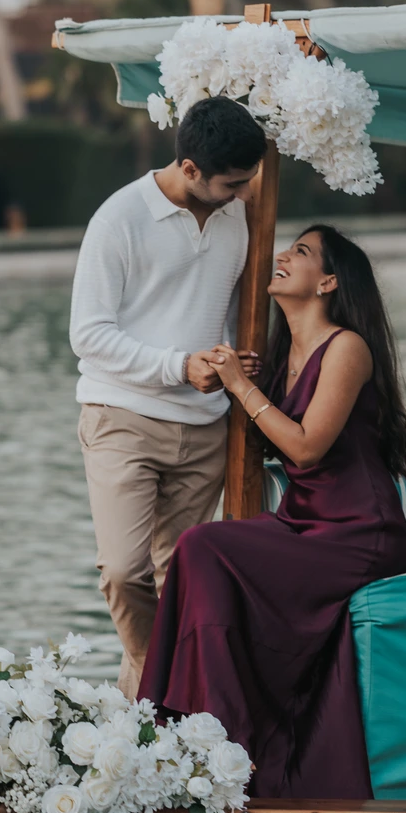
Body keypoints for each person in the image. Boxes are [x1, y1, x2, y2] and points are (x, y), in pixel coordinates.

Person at [138, 224, 406, 798]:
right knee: (202, 549)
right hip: (306, 522)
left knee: (202, 546)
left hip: (359, 532)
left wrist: (243, 388)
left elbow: (308, 445)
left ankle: (221, 742)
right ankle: (179, 735)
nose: (282, 256)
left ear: (328, 282)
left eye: (302, 252)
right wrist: (231, 382)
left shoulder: (347, 347)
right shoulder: (284, 354)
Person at [70, 96, 267, 698]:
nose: (241, 194)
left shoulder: (236, 213)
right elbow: (89, 334)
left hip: (207, 429)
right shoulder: (119, 219)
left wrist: (233, 361)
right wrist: (179, 366)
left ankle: (144, 729)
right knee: (124, 572)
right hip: (123, 419)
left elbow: (231, 310)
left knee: (178, 582)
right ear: (188, 169)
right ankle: (166, 691)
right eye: (231, 183)